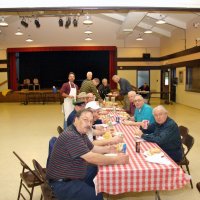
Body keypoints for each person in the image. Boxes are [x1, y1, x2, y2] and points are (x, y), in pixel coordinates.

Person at [47, 109, 129, 200]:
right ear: (76, 119)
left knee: (95, 170)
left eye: (90, 121)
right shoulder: (71, 135)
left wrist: (109, 149)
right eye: (85, 120)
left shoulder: (80, 132)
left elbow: (93, 148)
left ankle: (92, 188)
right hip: (62, 183)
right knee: (97, 196)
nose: (89, 124)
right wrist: (116, 160)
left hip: (74, 173)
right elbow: (91, 157)